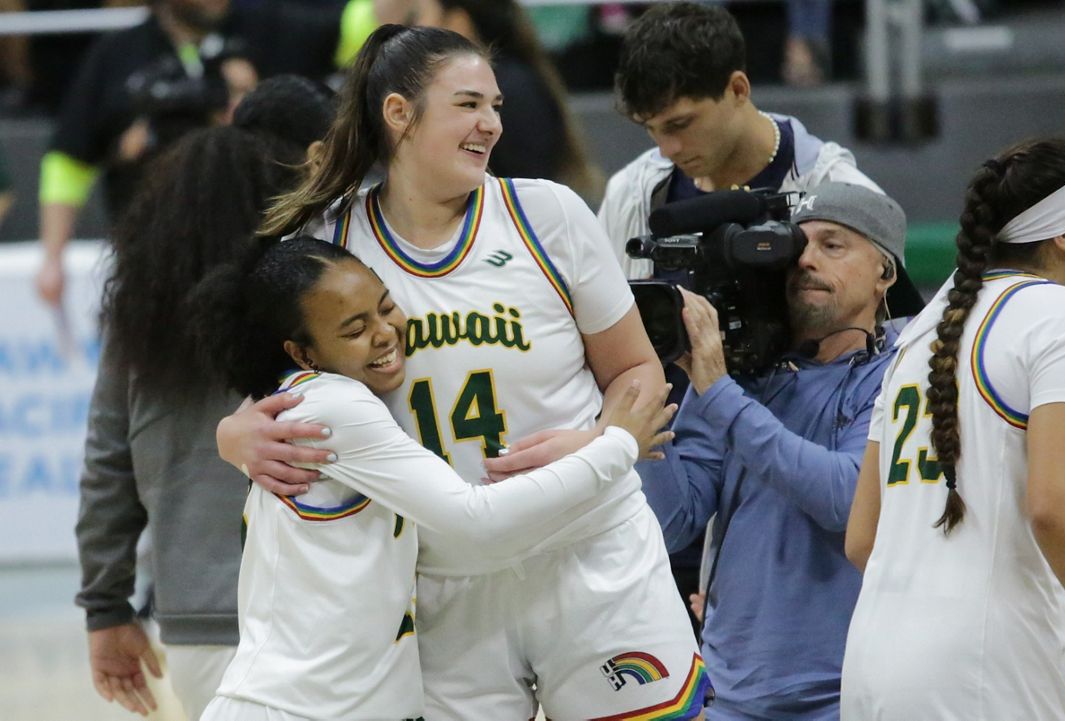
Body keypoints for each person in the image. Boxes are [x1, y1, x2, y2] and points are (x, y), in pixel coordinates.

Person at [217, 26, 708, 720]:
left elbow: (638, 374)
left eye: (497, 106)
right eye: (470, 104)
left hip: (591, 551)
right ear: (399, 114)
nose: (492, 124)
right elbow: (274, 397)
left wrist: (600, 435)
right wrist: (233, 433)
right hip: (442, 583)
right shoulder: (330, 244)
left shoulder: (548, 214)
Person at [188, 237, 673, 721]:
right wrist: (615, 446)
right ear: (303, 353)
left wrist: (228, 431)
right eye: (356, 329)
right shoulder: (331, 405)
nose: (384, 333)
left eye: (386, 308)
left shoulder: (300, 403)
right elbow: (473, 518)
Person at [840, 138, 1065, 721]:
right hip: (979, 674)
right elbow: (1055, 506)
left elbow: (863, 538)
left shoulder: (919, 336)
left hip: (870, 662)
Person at [637, 181, 924, 720]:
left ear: (886, 273)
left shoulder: (900, 372)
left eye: (833, 246)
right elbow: (674, 523)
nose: (806, 261)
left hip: (847, 696)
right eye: (799, 247)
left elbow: (845, 498)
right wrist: (647, 391)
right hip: (730, 694)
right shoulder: (743, 374)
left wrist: (718, 393)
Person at [73, 124, 312, 720]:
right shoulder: (308, 304)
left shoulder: (139, 321)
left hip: (193, 624)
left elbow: (108, 468)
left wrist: (106, 610)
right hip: (311, 612)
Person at [33, 0, 372, 309]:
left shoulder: (269, 24)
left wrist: (248, 105)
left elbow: (361, 26)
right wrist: (52, 257)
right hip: (153, 265)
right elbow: (69, 159)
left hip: (264, 252)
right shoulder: (117, 54)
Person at [599, 1, 881, 280]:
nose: (667, 148)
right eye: (651, 128)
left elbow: (888, 324)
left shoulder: (846, 196)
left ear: (737, 89)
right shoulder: (628, 194)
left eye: (680, 124)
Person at [374, 0, 605, 203]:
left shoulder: (515, 90)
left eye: (417, 18)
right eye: (469, 105)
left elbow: (523, 187)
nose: (492, 126)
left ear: (457, 22)